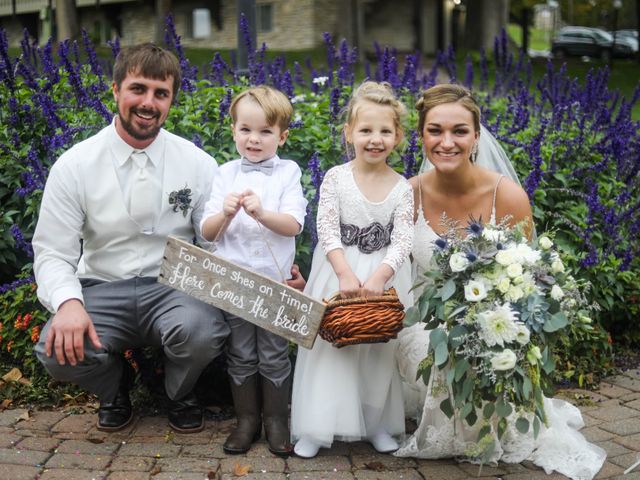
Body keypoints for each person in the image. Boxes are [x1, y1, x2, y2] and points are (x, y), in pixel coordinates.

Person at [394, 84, 607, 480]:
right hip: (425, 325)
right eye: (435, 130)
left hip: (495, 318)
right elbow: (387, 266)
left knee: (480, 349)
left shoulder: (505, 195)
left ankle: (485, 420)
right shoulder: (408, 195)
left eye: (459, 131)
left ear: (476, 136)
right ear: (421, 135)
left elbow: (531, 278)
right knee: (433, 348)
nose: (447, 142)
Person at [32, 43, 230, 434]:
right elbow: (53, 250)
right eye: (138, 88)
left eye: (161, 93)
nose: (148, 102)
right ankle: (115, 385)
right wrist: (69, 303)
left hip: (174, 288)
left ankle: (175, 391)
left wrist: (267, 271)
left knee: (204, 333)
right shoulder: (74, 166)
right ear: (115, 90)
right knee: (54, 350)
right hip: (102, 286)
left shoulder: (197, 163)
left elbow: (215, 244)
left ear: (172, 100)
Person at [290, 81, 414, 459]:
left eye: (384, 131)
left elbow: (403, 238)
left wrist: (380, 276)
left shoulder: (402, 186)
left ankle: (376, 423)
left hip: (383, 278)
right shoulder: (336, 177)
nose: (375, 139)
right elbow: (325, 228)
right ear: (349, 133)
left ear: (397, 137)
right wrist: (344, 272)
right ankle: (317, 426)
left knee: (378, 351)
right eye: (365, 130)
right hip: (339, 272)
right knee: (334, 349)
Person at [200, 85, 307, 456]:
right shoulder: (225, 173)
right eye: (246, 130)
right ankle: (246, 420)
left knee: (274, 352)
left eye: (265, 131)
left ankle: (277, 420)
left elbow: (294, 224)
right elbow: (207, 232)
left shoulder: (288, 173)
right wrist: (225, 214)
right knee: (242, 352)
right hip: (235, 283)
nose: (254, 139)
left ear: (282, 136)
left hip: (273, 283)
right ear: (233, 131)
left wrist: (262, 212)